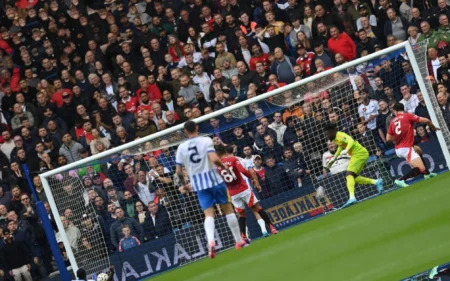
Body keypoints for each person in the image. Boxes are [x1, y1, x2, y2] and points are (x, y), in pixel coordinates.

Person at [175, 121, 247, 259]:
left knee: (208, 215)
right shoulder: (205, 140)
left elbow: (178, 171)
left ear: (185, 131)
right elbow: (214, 158)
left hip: (199, 186)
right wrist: (224, 168)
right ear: (197, 128)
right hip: (215, 180)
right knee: (228, 210)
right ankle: (238, 241)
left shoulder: (181, 148)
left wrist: (184, 184)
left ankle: (211, 241)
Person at [215, 144, 277, 238]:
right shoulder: (233, 159)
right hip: (243, 188)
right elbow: (243, 171)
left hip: (232, 193)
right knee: (257, 208)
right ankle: (271, 227)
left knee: (241, 214)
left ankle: (243, 236)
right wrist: (253, 179)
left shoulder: (216, 166)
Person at [325, 123, 383, 208]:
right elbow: (341, 147)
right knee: (354, 178)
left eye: (326, 133)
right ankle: (376, 182)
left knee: (349, 175)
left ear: (331, 131)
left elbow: (351, 140)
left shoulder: (340, 135)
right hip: (358, 154)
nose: (326, 135)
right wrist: (334, 159)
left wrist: (347, 150)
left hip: (359, 154)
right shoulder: (336, 139)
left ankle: (352, 198)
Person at [386, 103, 439, 187]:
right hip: (406, 149)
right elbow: (426, 120)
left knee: (418, 150)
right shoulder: (407, 116)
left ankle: (427, 173)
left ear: (395, 111)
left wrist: (398, 137)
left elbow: (388, 138)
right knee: (420, 168)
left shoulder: (392, 121)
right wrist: (433, 127)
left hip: (398, 148)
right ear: (403, 109)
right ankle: (400, 180)